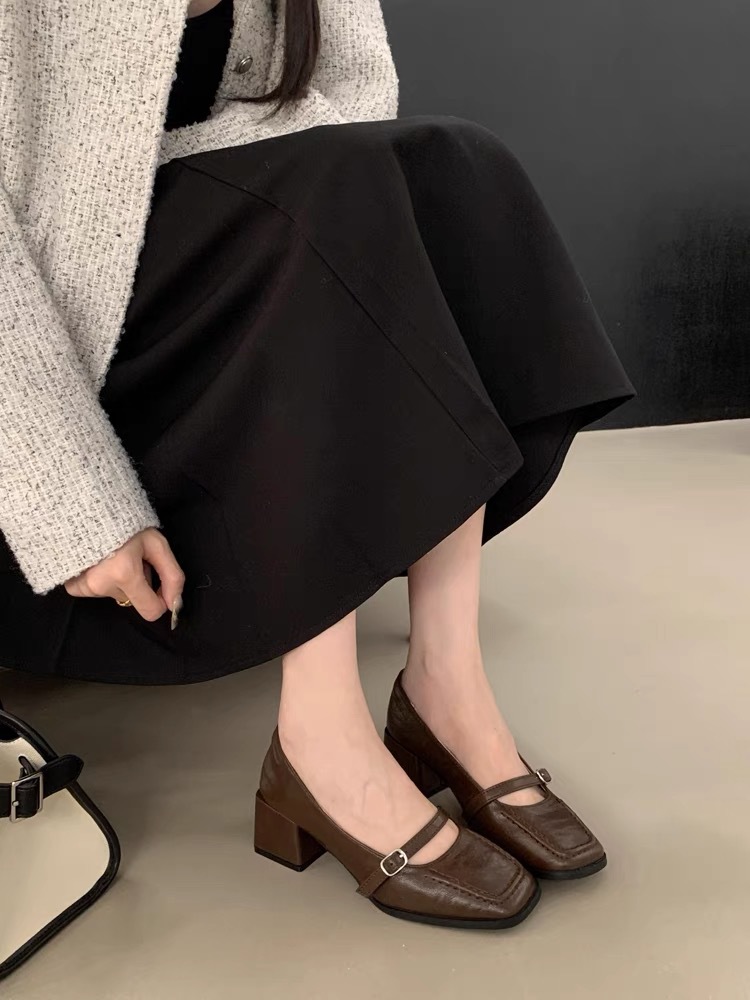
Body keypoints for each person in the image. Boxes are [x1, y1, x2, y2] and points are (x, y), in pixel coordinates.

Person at [0, 0, 635, 930]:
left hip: (206, 256)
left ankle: (446, 684)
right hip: (50, 364)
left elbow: (352, 101)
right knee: (331, 202)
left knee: (450, 166)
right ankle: (319, 738)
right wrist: (65, 493)